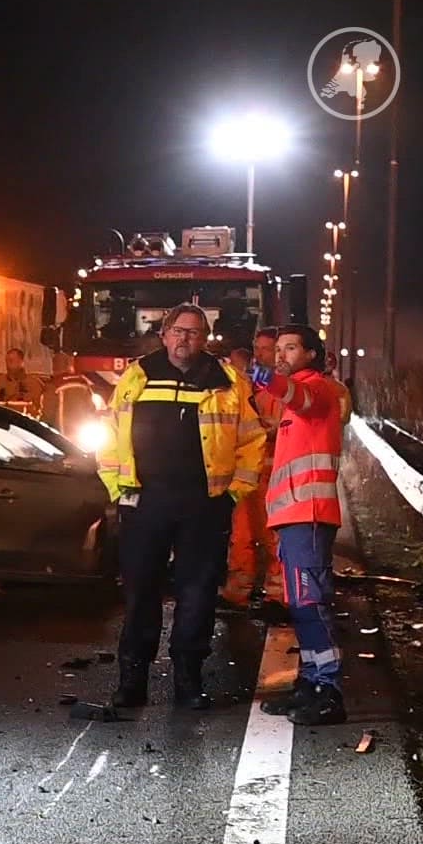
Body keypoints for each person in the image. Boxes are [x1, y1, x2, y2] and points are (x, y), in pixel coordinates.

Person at [98, 304, 266, 711]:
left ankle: (189, 681)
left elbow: (252, 442)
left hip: (204, 504)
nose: (184, 339)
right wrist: (116, 488)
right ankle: (132, 681)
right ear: (164, 334)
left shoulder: (228, 381)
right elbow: (109, 432)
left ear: (205, 338)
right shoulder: (137, 376)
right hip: (145, 500)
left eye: (193, 333)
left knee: (198, 594)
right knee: (140, 593)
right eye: (178, 331)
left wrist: (232, 494)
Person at [249, 325, 352, 725]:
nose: (281, 356)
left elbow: (300, 395)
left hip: (308, 515)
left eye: (290, 348)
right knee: (301, 605)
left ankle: (330, 691)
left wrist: (265, 377)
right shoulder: (294, 400)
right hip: (294, 516)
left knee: (311, 604)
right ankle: (311, 683)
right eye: (277, 350)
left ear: (311, 353)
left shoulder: (319, 390)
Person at [223, 328, 284, 608]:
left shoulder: (284, 387)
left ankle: (278, 594)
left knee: (273, 537)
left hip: (274, 473)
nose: (259, 354)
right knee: (241, 535)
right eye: (256, 347)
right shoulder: (251, 385)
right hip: (248, 471)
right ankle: (237, 592)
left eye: (265, 348)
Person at [0, 347, 47, 414]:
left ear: (21, 362)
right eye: (7, 361)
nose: (8, 364)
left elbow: (38, 408)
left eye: (11, 361)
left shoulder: (33, 383)